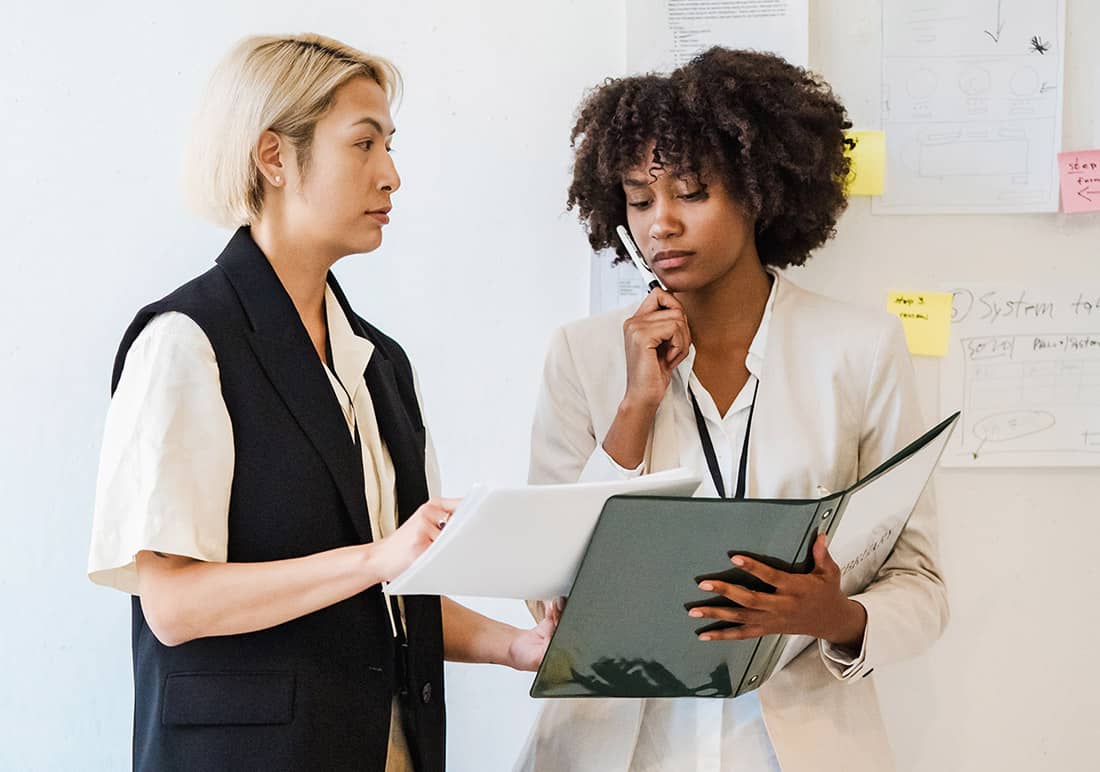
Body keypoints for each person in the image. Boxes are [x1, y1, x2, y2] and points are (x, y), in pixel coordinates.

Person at [87, 33, 553, 772]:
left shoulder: (380, 363)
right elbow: (173, 607)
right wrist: (379, 556)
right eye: (363, 145)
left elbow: (390, 595)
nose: (392, 175)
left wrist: (513, 645)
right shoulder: (186, 342)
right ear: (273, 156)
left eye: (389, 146)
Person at [516, 48, 947, 772]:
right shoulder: (582, 354)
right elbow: (544, 586)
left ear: (756, 190)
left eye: (690, 193)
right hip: (617, 748)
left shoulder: (859, 349)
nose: (661, 226)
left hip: (797, 746)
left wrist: (833, 616)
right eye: (639, 198)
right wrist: (635, 406)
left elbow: (922, 586)